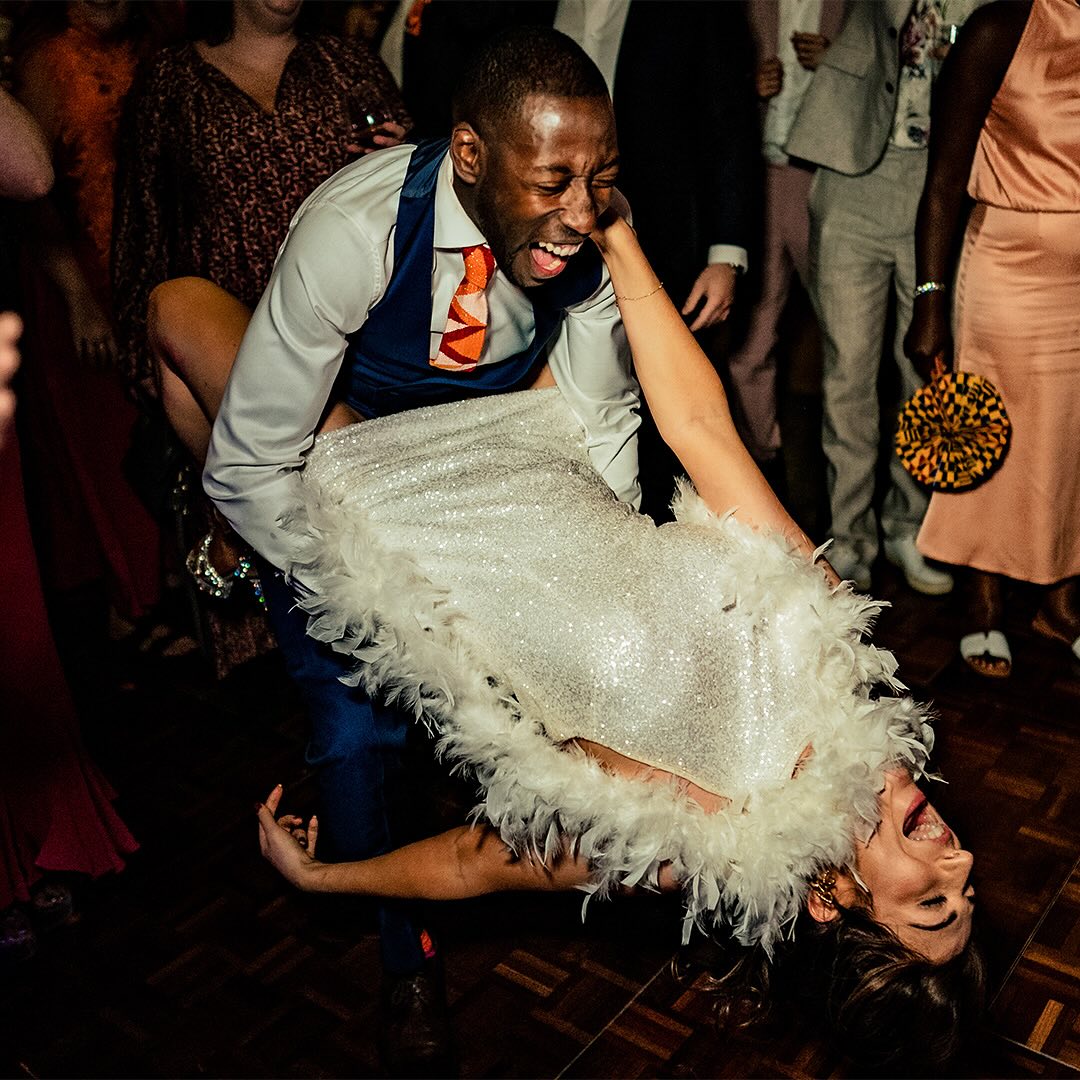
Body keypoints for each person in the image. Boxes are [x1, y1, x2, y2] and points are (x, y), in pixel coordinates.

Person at [254, 210, 984, 1075]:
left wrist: (322, 880)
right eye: (966, 889)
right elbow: (701, 430)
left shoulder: (688, 839)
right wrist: (620, 234)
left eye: (932, 904)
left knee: (181, 319)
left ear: (832, 901)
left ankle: (222, 546)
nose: (960, 859)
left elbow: (477, 864)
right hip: (529, 429)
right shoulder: (834, 652)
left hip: (387, 513)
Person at [192, 26, 645, 1070]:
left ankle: (473, 870)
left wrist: (604, 582)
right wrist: (386, 603)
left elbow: (599, 425)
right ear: (470, 154)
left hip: (494, 479)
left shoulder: (591, 230)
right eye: (553, 182)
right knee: (359, 745)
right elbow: (248, 466)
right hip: (338, 495)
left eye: (601, 177)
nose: (585, 212)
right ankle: (406, 954)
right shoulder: (354, 232)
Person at [111, 0, 409, 677]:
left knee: (346, 511)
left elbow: (422, 206)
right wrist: (146, 357)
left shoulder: (347, 65)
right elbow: (143, 224)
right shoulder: (170, 82)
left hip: (349, 334)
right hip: (228, 332)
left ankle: (381, 666)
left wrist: (395, 165)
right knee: (278, 524)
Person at [903, 0, 1080, 678]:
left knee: (1068, 445)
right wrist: (929, 299)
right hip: (1010, 268)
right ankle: (983, 603)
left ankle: (1059, 604)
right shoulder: (998, 29)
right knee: (991, 438)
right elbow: (943, 180)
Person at [784, 0, 983, 595]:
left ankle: (909, 523)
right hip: (852, 176)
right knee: (848, 373)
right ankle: (849, 536)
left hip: (941, 184)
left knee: (923, 368)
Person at [15, 0, 171, 656]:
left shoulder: (155, 40)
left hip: (145, 270)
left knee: (155, 433)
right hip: (76, 277)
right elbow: (34, 196)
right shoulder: (49, 58)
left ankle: (161, 594)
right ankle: (129, 606)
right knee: (106, 444)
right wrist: (78, 297)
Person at [727, 0, 846, 468]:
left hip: (829, 176)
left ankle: (846, 468)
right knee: (752, 335)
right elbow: (706, 75)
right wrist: (747, 85)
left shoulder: (856, 6)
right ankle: (762, 458)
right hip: (757, 174)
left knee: (847, 333)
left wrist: (837, 63)